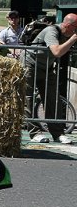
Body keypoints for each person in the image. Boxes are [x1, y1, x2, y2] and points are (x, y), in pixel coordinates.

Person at [23, 12, 77, 144]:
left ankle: (58, 133)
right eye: (75, 27)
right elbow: (57, 52)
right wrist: (73, 39)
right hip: (30, 64)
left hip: (46, 67)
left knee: (53, 98)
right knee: (28, 98)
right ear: (67, 25)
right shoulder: (51, 31)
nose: (76, 30)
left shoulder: (66, 34)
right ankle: (34, 132)